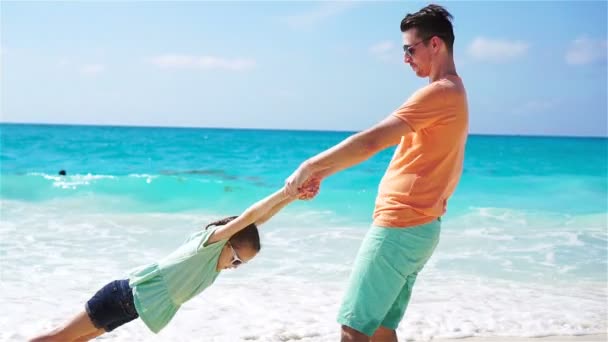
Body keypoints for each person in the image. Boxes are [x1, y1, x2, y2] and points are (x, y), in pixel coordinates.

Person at [284, 5, 468, 342]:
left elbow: (371, 141)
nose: (405, 58)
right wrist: (322, 175)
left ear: (435, 44)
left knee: (353, 328)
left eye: (409, 49)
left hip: (400, 226)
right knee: (381, 328)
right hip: (419, 226)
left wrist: (311, 166)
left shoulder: (440, 92)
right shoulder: (454, 93)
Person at [30, 181, 319, 342]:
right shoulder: (208, 244)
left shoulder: (215, 263)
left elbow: (258, 222)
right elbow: (248, 218)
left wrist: (292, 200)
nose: (233, 266)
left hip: (132, 308)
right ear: (226, 243)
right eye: (235, 259)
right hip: (123, 296)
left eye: (240, 265)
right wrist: (286, 191)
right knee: (59, 337)